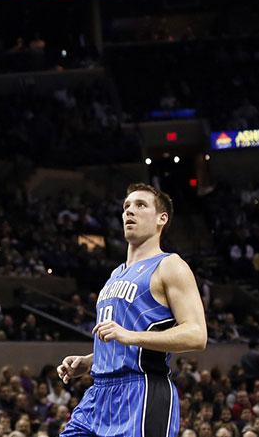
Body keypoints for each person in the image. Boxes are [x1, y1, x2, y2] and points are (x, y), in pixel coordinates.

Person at [55, 183, 207, 437]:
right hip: (99, 392)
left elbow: (197, 334)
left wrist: (131, 336)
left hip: (142, 390)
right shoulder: (115, 274)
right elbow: (121, 339)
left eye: (140, 205)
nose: (129, 211)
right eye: (126, 206)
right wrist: (89, 361)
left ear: (162, 218)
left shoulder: (170, 265)